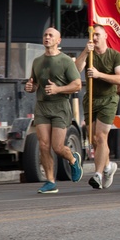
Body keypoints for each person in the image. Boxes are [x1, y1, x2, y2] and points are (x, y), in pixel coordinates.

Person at [25, 28, 84, 193]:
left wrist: (58, 89)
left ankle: (73, 160)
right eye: (45, 35)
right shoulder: (37, 61)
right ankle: (50, 181)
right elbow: (34, 84)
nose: (47, 37)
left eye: (51, 35)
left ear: (59, 41)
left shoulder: (66, 61)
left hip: (60, 106)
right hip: (42, 106)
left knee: (58, 147)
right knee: (44, 145)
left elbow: (77, 84)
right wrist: (30, 87)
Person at [75, 27, 120, 190]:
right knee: (93, 139)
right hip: (91, 99)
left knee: (101, 136)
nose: (94, 37)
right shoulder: (89, 55)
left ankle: (98, 175)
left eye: (97, 34)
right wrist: (85, 51)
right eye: (92, 34)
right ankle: (108, 166)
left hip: (108, 99)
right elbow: (76, 71)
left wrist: (99, 75)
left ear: (105, 36)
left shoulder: (115, 55)